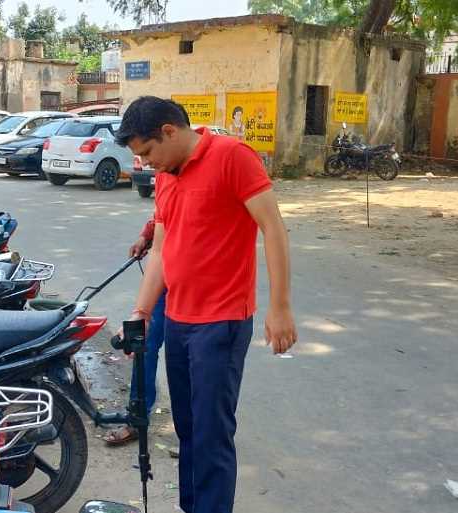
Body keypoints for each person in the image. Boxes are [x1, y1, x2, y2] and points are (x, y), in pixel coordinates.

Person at [115, 96, 296, 513]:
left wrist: (280, 307)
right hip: (177, 319)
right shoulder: (166, 176)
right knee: (188, 429)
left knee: (212, 436)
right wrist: (141, 312)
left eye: (147, 152)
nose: (144, 163)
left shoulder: (234, 157)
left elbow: (273, 228)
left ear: (169, 132)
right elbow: (161, 249)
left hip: (221, 322)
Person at [102, 218, 167, 446]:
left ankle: (198, 429)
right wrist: (147, 234)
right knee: (144, 346)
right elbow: (163, 210)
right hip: (165, 277)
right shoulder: (166, 182)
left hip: (195, 285)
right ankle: (137, 420)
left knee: (194, 359)